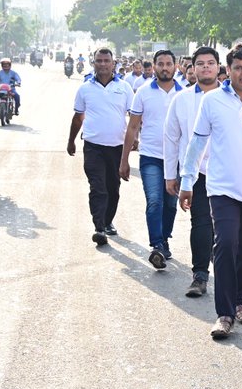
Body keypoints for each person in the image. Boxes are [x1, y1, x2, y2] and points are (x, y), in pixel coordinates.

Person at [180, 44, 242, 340]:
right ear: (227, 70)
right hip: (222, 187)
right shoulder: (212, 100)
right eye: (238, 68)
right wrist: (186, 181)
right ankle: (225, 313)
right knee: (226, 243)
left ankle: (240, 302)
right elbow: (197, 142)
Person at [165, 47, 222, 298]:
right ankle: (200, 275)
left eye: (211, 63)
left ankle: (229, 277)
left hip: (226, 172)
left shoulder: (233, 98)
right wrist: (171, 174)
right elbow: (171, 138)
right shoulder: (182, 99)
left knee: (223, 227)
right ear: (192, 68)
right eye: (200, 64)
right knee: (200, 221)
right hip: (195, 173)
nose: (206, 67)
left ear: (219, 67)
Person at [121, 50, 183, 269]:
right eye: (160, 64)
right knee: (155, 200)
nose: (164, 67)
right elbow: (132, 127)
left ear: (176, 66)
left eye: (168, 64)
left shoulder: (184, 93)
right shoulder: (143, 92)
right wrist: (124, 159)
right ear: (154, 66)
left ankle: (165, 239)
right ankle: (156, 244)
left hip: (175, 160)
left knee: (171, 204)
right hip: (150, 157)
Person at [67, 48, 133, 246]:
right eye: (99, 61)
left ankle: (107, 221)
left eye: (106, 61)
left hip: (116, 147)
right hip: (93, 146)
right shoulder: (85, 89)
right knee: (98, 187)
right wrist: (71, 140)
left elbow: (135, 118)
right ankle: (99, 227)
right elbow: (78, 117)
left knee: (113, 187)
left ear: (113, 64)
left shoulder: (125, 88)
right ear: (93, 63)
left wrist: (136, 139)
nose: (103, 64)